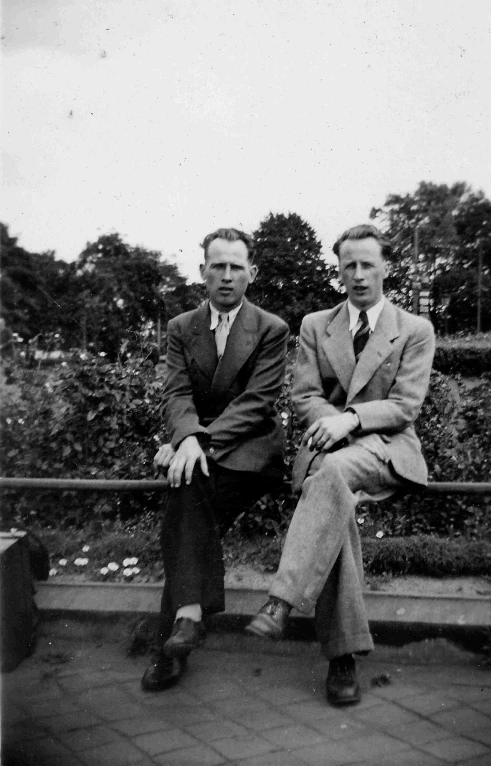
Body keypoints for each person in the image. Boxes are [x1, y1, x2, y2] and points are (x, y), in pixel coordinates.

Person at [246, 224, 435, 706]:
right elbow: (304, 394)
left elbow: (404, 406)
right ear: (339, 271)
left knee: (329, 479)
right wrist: (330, 424)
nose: (358, 275)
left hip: (386, 449)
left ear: (386, 268)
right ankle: (342, 658)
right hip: (329, 454)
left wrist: (348, 421)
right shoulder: (316, 324)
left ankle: (282, 600)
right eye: (348, 265)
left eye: (367, 264)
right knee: (333, 496)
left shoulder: (414, 330)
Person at [142, 228, 289, 691]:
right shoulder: (182, 327)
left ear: (252, 273)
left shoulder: (271, 328)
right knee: (189, 495)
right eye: (217, 266)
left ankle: (177, 630)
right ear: (201, 271)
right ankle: (183, 626)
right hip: (200, 452)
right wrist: (185, 437)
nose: (226, 277)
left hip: (250, 451)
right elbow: (177, 393)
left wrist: (194, 442)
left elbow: (257, 402)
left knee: (187, 493)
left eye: (235, 267)